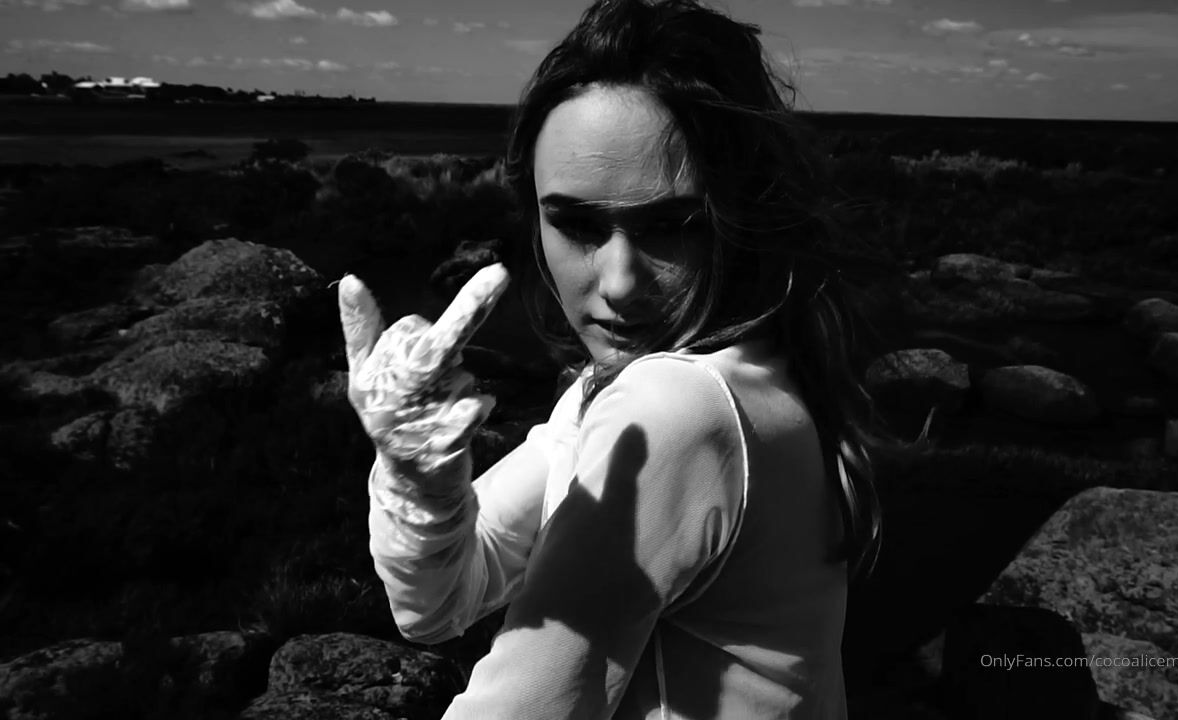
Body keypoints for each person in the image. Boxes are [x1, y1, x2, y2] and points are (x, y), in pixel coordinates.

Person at [339, 0, 897, 717]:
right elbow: (440, 604)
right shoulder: (719, 373)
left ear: (742, 214)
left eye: (671, 225)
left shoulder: (677, 407)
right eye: (576, 224)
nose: (620, 281)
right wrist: (420, 484)